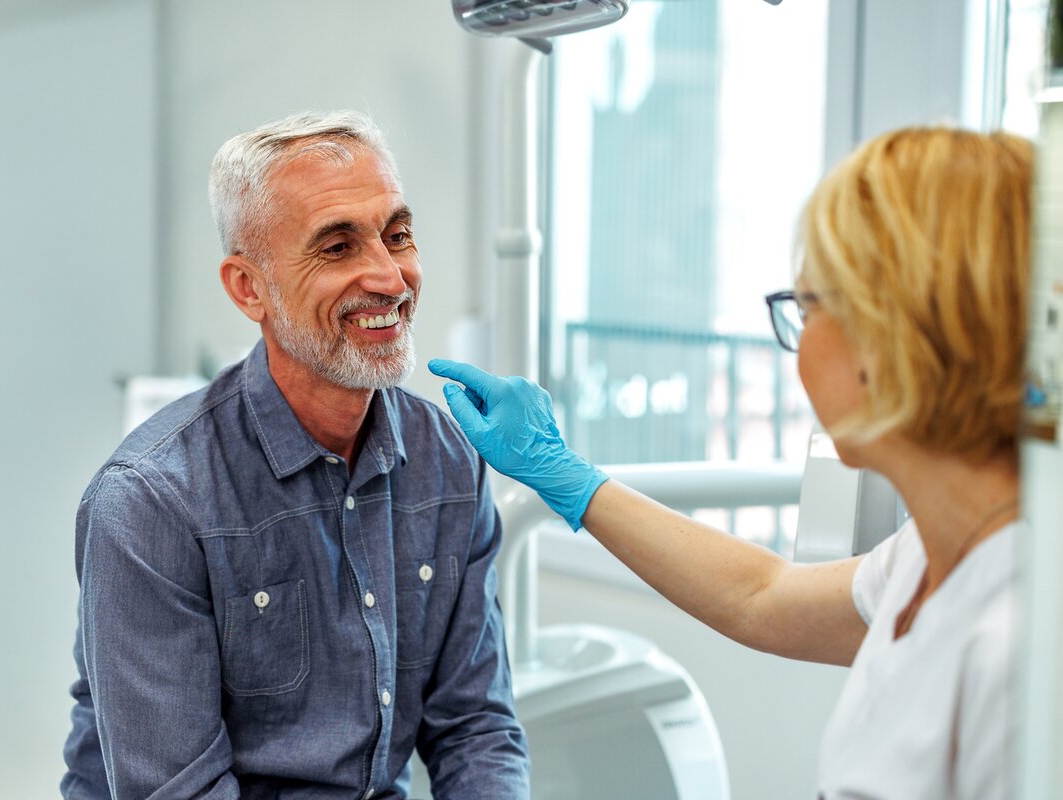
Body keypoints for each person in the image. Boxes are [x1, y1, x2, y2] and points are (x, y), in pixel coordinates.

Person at [429, 126, 1031, 799]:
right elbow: (761, 597)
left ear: (891, 333)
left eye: (805, 309)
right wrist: (569, 477)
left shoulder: (1019, 642)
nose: (797, 348)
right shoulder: (931, 552)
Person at [61, 111, 530, 799]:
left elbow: (474, 730)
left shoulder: (450, 462)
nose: (389, 278)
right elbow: (179, 791)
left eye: (397, 235)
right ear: (249, 288)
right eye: (337, 248)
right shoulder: (151, 501)